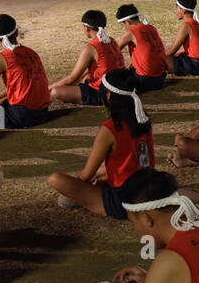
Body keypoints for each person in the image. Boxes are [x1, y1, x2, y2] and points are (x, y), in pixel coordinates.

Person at [48, 68, 157, 217]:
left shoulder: (110, 128)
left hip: (124, 200)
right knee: (101, 173)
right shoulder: (143, 119)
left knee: (56, 179)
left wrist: (76, 188)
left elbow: (85, 176)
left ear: (108, 95)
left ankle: (89, 199)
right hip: (148, 189)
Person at [0, 14, 51, 130]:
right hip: (43, 113)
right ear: (17, 31)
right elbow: (22, 85)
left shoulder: (3, 58)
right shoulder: (31, 53)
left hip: (22, 117)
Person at [50, 10, 123, 106]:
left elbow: (71, 78)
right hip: (121, 88)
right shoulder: (111, 40)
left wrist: (48, 88)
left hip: (105, 94)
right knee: (87, 77)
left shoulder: (91, 47)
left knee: (55, 91)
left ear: (87, 28)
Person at [113, 3, 170, 92]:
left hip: (145, 80)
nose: (123, 28)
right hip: (161, 78)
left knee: (117, 76)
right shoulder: (151, 28)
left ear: (127, 21)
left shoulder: (131, 32)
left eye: (122, 24)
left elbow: (114, 51)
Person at [167, 0, 199, 76]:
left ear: (183, 10)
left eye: (177, 8)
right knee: (177, 55)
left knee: (162, 59)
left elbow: (172, 50)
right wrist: (180, 52)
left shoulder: (187, 25)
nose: (176, 11)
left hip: (197, 65)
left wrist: (157, 56)